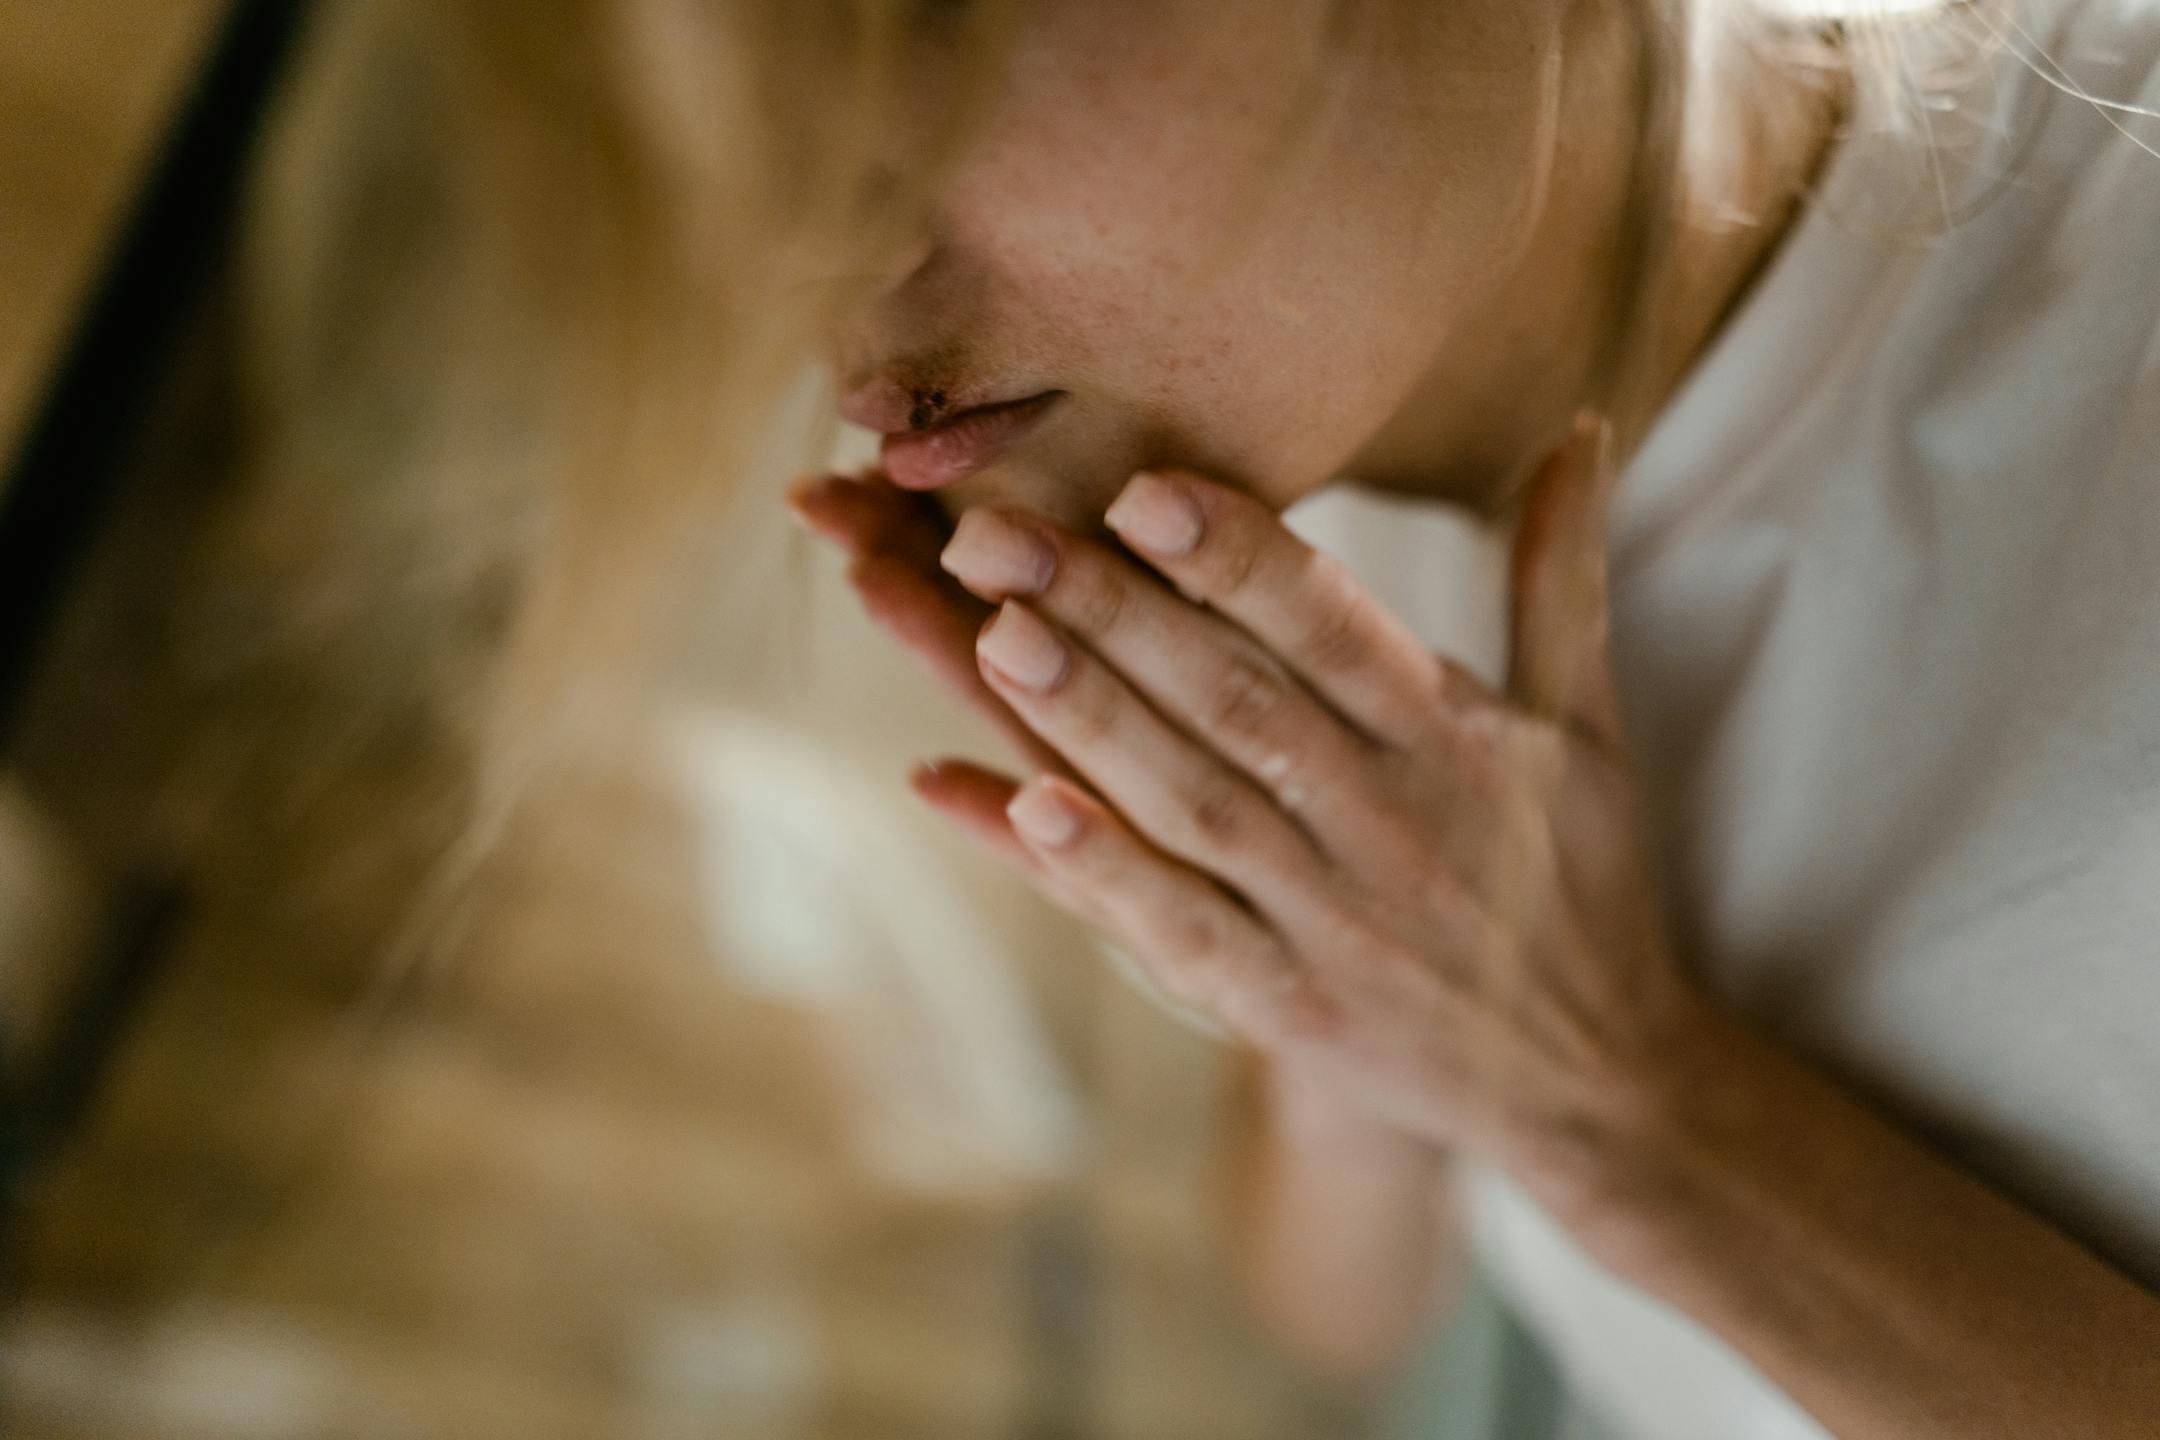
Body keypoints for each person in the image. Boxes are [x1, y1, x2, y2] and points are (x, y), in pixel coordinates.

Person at [779, 0, 2160, 1435]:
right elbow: (1334, 1298)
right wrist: (1354, 1020)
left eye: (938, 22)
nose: (811, 246)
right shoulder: (1267, 492)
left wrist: (1629, 1119)